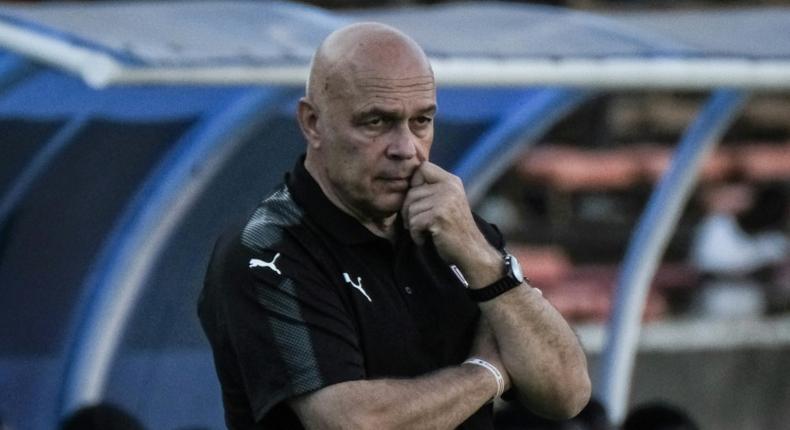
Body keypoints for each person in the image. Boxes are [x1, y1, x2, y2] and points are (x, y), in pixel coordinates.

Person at [197, 22, 590, 429]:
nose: (406, 149)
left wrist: (481, 259)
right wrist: (485, 374)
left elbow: (568, 394)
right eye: (376, 122)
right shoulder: (267, 251)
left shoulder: (457, 231)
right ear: (312, 123)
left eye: (421, 122)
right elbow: (353, 424)